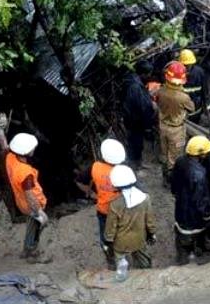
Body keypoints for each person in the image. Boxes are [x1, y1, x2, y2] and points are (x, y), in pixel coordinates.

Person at [0, 128, 50, 263]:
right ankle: (31, 252)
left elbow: (4, 146)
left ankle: (27, 248)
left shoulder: (10, 157)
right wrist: (39, 212)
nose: (33, 149)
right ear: (25, 151)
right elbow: (30, 196)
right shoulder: (25, 172)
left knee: (31, 225)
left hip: (20, 201)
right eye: (32, 148)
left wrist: (0, 132)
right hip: (30, 205)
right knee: (36, 226)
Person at [75, 138, 126, 269]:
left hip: (103, 210)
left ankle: (110, 260)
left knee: (105, 237)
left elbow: (79, 181)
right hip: (121, 210)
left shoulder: (95, 167)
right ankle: (122, 256)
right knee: (122, 233)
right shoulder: (123, 171)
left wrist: (92, 194)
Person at [171, 136, 210, 265]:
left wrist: (175, 193)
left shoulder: (180, 161)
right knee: (189, 234)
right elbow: (200, 199)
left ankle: (184, 253)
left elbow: (173, 182)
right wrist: (208, 213)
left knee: (181, 231)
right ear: (201, 154)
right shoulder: (198, 175)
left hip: (181, 206)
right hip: (192, 214)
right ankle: (185, 258)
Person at [104, 165, 156, 269]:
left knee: (121, 266)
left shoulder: (115, 204)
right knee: (144, 263)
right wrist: (151, 234)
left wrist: (108, 242)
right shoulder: (145, 198)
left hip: (121, 243)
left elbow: (110, 228)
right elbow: (150, 221)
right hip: (139, 239)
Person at [157, 61, 195, 185]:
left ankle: (164, 178)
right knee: (175, 157)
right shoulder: (183, 97)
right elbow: (192, 108)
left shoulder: (161, 91)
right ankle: (172, 182)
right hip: (176, 130)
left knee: (164, 153)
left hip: (163, 127)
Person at [121, 60, 156, 170]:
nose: (150, 76)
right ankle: (134, 165)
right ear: (143, 74)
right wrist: (148, 127)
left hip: (132, 118)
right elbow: (143, 107)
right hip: (135, 120)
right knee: (135, 143)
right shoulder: (135, 87)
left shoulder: (133, 81)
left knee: (136, 142)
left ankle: (137, 162)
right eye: (149, 74)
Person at [179, 49, 209, 124]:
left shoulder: (199, 72)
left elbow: (205, 91)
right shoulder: (177, 73)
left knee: (194, 123)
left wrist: (207, 107)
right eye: (185, 65)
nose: (187, 66)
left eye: (188, 64)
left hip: (196, 106)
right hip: (182, 107)